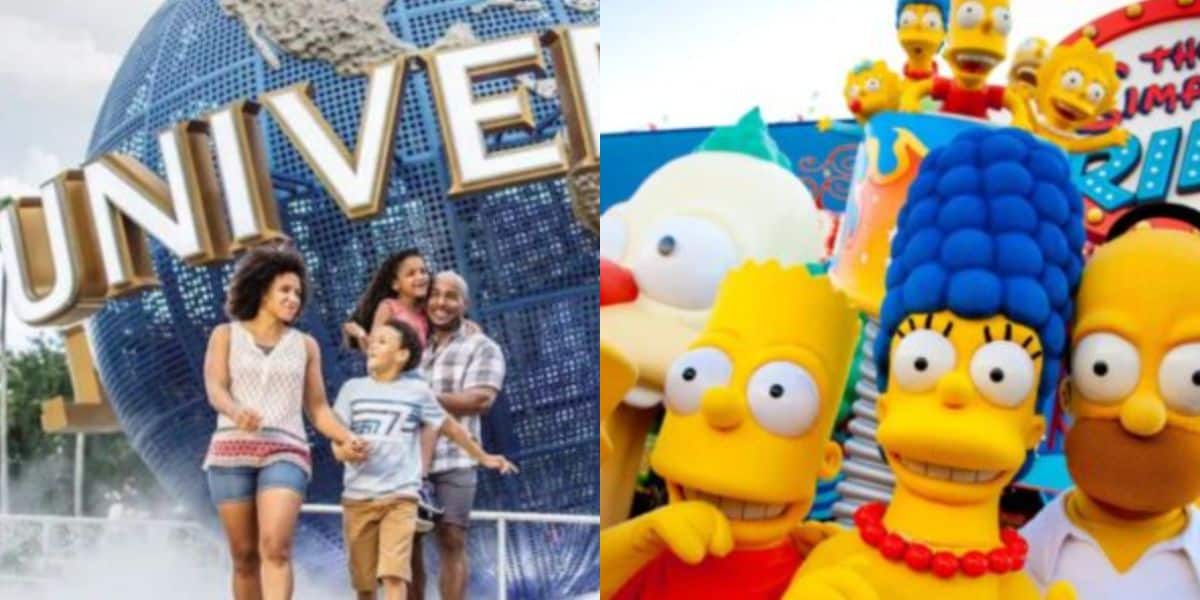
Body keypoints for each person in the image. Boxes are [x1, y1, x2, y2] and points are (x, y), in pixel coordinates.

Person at [202, 242, 364, 600]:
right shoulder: (225, 335)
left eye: (298, 292)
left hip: (286, 451)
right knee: (244, 557)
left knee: (276, 546)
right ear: (262, 291)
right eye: (285, 291)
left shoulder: (306, 346)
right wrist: (235, 411)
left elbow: (318, 409)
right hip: (230, 452)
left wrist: (345, 436)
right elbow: (215, 389)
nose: (293, 298)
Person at [332, 318, 517, 600]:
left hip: (400, 498)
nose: (371, 347)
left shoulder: (417, 392)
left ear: (403, 355)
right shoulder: (352, 390)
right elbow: (337, 438)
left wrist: (483, 456)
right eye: (372, 342)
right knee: (365, 584)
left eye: (382, 342)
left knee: (394, 574)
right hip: (358, 498)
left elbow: (450, 427)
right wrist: (344, 451)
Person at [412, 271, 508, 600]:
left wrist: (422, 400)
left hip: (456, 458)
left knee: (452, 540)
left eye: (450, 296)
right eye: (435, 294)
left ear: (463, 303)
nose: (441, 302)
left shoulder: (482, 347)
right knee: (407, 545)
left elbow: (481, 399)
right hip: (407, 460)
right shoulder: (410, 345)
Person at [344, 249, 431, 349]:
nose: (420, 277)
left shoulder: (424, 313)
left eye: (423, 271)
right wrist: (361, 334)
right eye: (411, 274)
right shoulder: (389, 307)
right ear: (395, 284)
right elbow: (373, 348)